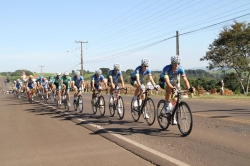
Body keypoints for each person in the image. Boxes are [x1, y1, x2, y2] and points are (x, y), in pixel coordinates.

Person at [159, 55, 193, 124]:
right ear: (171, 63)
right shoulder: (166, 68)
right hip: (163, 81)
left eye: (178, 63)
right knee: (169, 88)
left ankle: (172, 116)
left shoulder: (181, 69)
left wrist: (189, 88)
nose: (177, 65)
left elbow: (185, 80)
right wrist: (172, 88)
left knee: (176, 100)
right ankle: (166, 105)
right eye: (175, 63)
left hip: (171, 81)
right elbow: (167, 82)